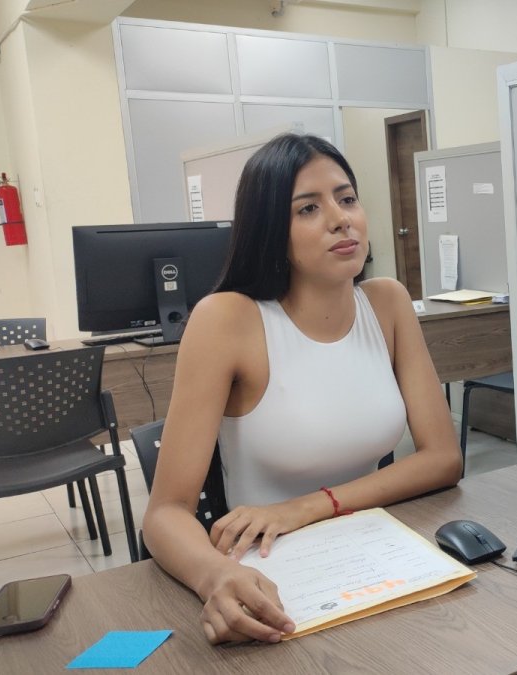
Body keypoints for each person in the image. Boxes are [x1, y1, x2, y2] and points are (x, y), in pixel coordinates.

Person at [143, 133, 462, 645]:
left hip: (372, 553)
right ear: (271, 233)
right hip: (271, 574)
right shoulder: (228, 319)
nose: (341, 218)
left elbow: (443, 458)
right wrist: (213, 575)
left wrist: (308, 506)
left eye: (347, 198)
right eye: (308, 208)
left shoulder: (388, 303)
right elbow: (164, 514)